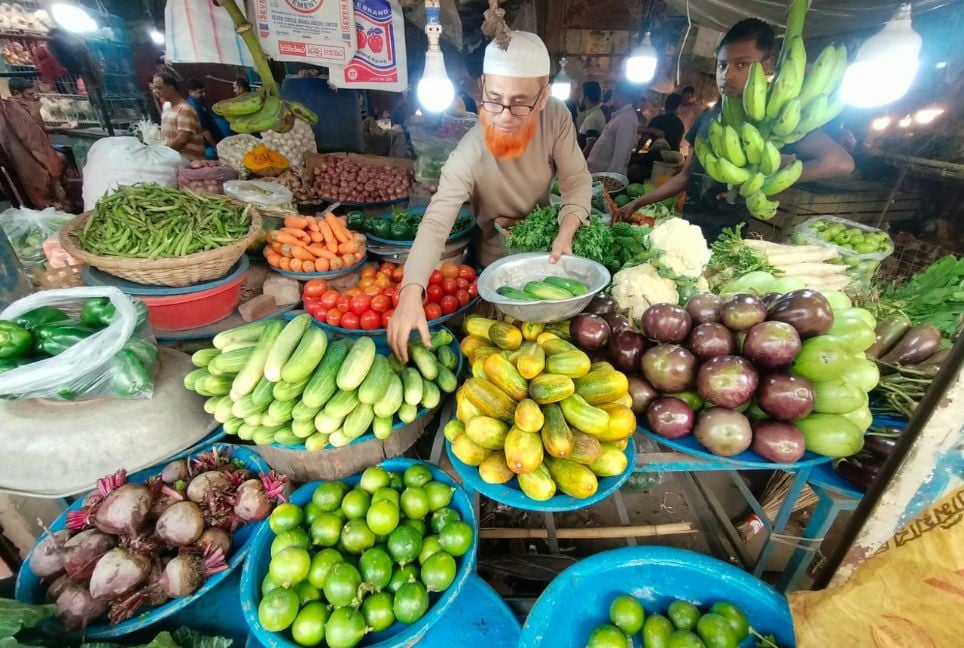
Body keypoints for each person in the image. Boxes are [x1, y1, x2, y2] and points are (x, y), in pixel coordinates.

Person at [387, 31, 592, 359]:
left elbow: (578, 181)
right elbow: (437, 220)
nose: (505, 116)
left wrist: (567, 229)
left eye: (520, 102)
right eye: (494, 99)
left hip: (546, 259)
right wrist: (411, 291)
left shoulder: (555, 117)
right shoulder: (470, 149)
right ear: (482, 86)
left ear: (542, 96)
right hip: (492, 267)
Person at [619, 18, 854, 242]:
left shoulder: (774, 120)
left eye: (741, 64)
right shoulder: (709, 118)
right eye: (722, 65)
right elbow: (685, 176)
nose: (726, 75)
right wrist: (637, 203)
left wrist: (765, 179)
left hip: (728, 239)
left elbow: (840, 162)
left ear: (767, 66)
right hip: (689, 230)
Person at [0, 78, 66, 208]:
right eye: (29, 94)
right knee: (39, 182)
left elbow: (38, 129)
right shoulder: (13, 108)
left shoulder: (18, 107)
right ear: (16, 93)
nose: (33, 98)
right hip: (25, 158)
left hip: (36, 153)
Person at [586, 82, 640, 176]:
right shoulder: (620, 116)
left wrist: (610, 182)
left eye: (615, 94)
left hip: (604, 178)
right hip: (598, 174)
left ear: (622, 95)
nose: (613, 97)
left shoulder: (626, 118)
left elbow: (620, 156)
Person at [152, 70, 205, 160]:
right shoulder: (167, 107)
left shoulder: (184, 109)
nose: (155, 91)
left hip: (189, 165)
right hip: (174, 163)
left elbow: (182, 139)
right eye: (154, 88)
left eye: (159, 88)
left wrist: (162, 154)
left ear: (172, 88)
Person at [185, 78, 222, 158]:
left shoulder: (199, 102)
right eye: (200, 92)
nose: (204, 94)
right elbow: (205, 130)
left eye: (204, 91)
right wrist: (215, 147)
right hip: (207, 146)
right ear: (191, 92)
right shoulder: (194, 107)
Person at [579, 81, 606, 157]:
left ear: (586, 98)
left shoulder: (592, 118)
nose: (579, 97)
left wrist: (580, 163)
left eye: (581, 95)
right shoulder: (596, 114)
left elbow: (590, 145)